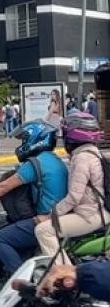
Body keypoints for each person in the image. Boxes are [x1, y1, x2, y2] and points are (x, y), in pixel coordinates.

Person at [0, 121, 68, 273]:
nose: (22, 144)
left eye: (24, 140)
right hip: (58, 217)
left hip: (45, 220)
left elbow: (4, 187)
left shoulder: (36, 163)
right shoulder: (54, 159)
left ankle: (21, 282)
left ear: (36, 139)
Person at [34, 112, 107, 264]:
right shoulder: (92, 153)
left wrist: (50, 215)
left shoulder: (82, 158)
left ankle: (64, 276)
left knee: (43, 231)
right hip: (98, 211)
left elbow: (74, 197)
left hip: (90, 215)